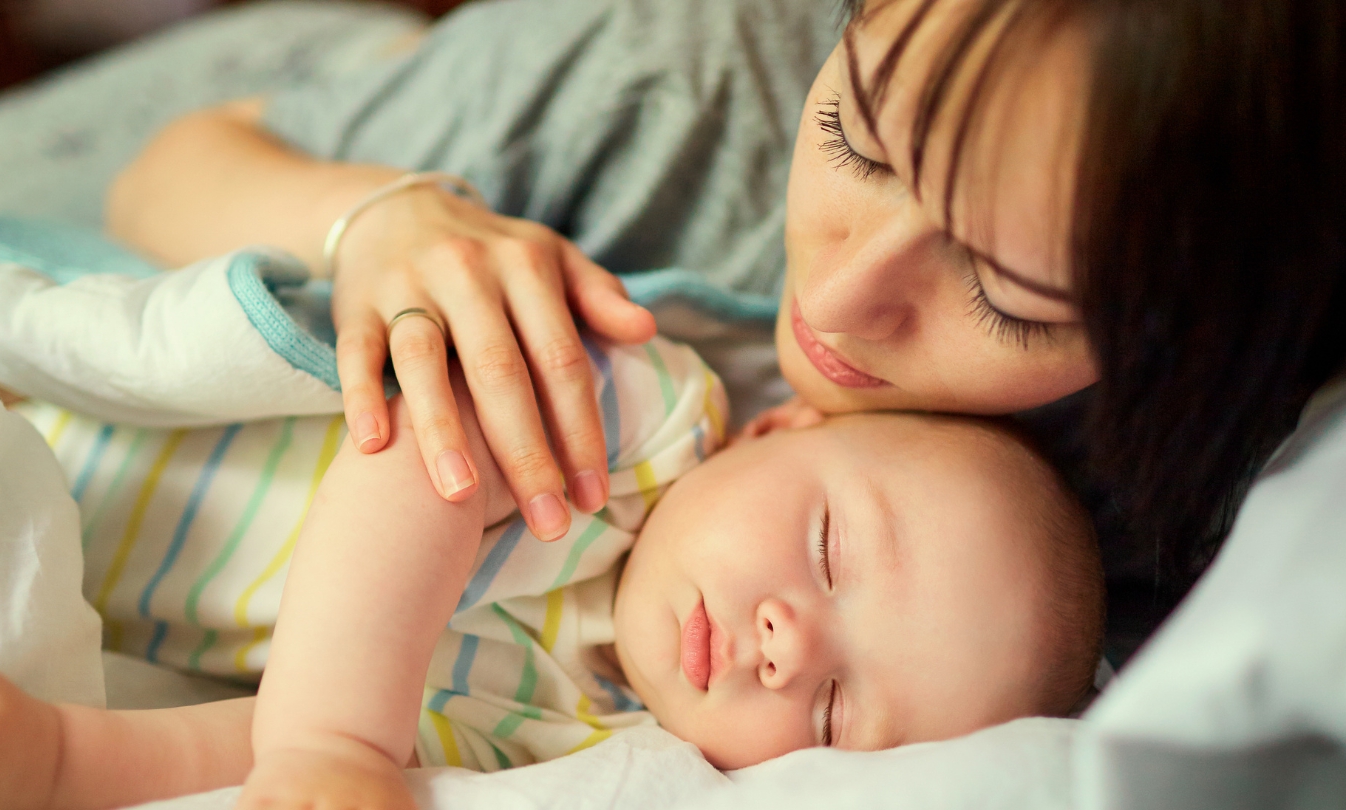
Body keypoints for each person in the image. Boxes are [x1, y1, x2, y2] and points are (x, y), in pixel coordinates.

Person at [104, 0, 1345, 635]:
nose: (844, 302)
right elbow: (161, 171)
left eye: (1010, 294)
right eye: (857, 137)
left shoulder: (1239, 485)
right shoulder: (677, 71)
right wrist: (375, 219)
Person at [0, 335, 1103, 810]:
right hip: (60, 418)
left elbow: (274, 750)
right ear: (774, 431)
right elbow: (430, 449)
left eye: (828, 712)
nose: (783, 641)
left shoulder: (569, 739)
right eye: (825, 553)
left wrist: (55, 765)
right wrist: (333, 741)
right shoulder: (628, 423)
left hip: (56, 559)